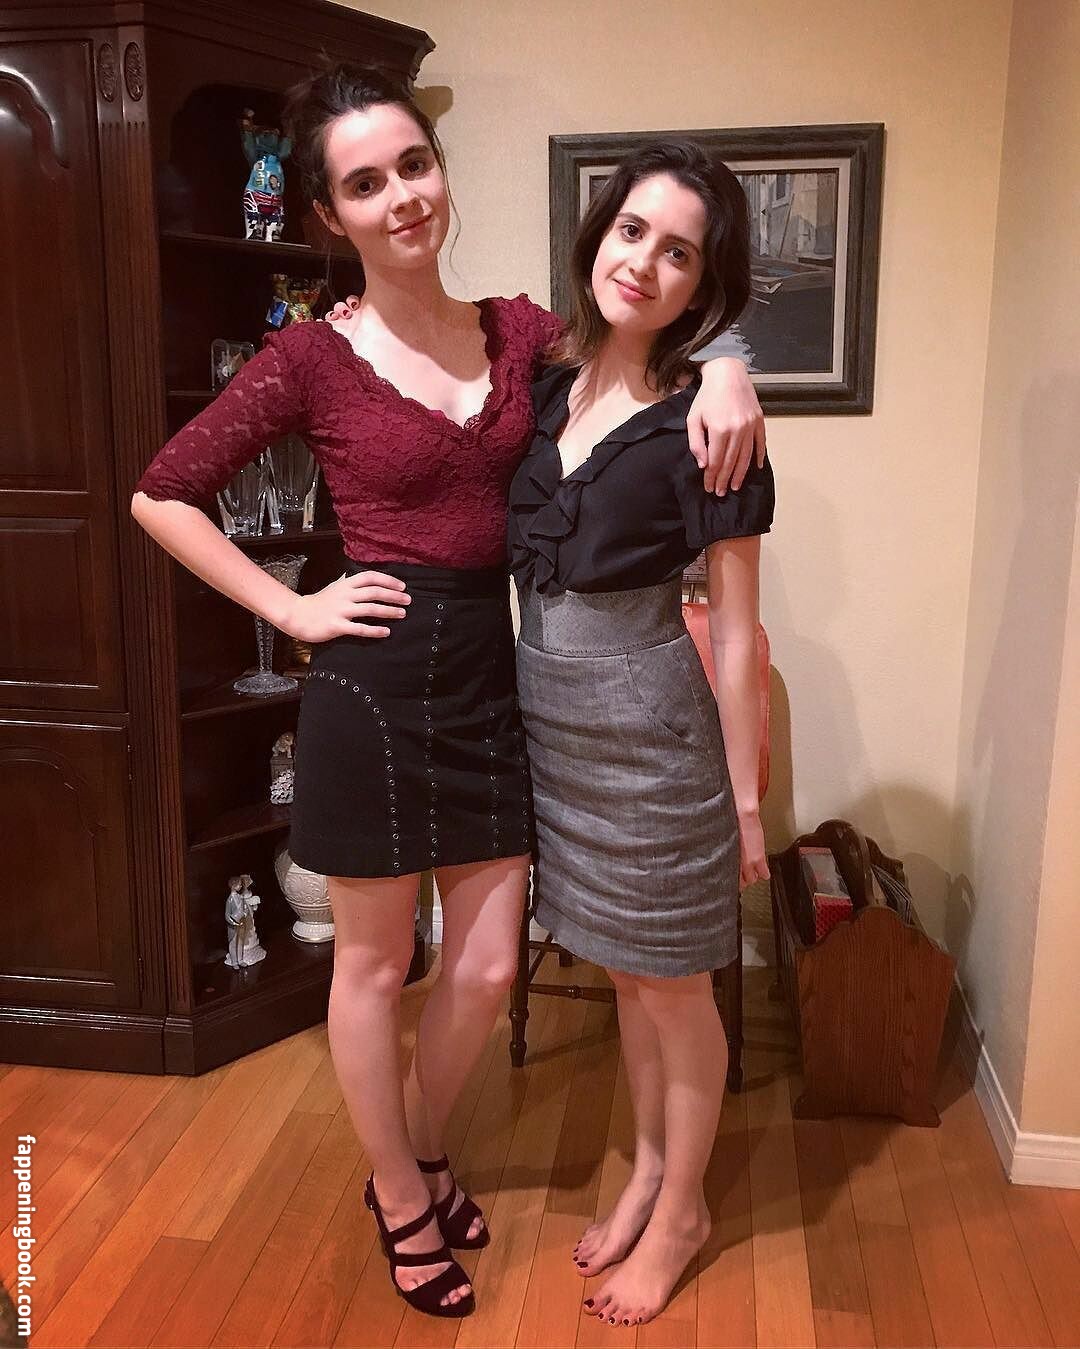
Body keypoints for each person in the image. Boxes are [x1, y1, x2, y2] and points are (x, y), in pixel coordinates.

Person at [131, 64, 765, 1319]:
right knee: (374, 969)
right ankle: (401, 1190)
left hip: (495, 679)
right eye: (366, 183)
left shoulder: (522, 334)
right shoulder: (310, 356)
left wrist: (734, 365)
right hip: (369, 686)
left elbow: (646, 329)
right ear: (331, 214)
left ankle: (417, 1146)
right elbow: (163, 491)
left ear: (439, 169)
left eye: (414, 165)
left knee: (479, 973)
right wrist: (291, 609)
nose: (403, 196)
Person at [507, 141, 775, 1327]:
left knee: (675, 987)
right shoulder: (543, 381)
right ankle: (649, 1168)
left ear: (703, 284)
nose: (644, 263)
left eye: (680, 253)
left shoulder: (710, 426)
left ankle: (683, 1210)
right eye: (632, 231)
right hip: (552, 723)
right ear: (597, 232)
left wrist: (747, 803)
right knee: (626, 975)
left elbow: (737, 634)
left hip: (652, 730)